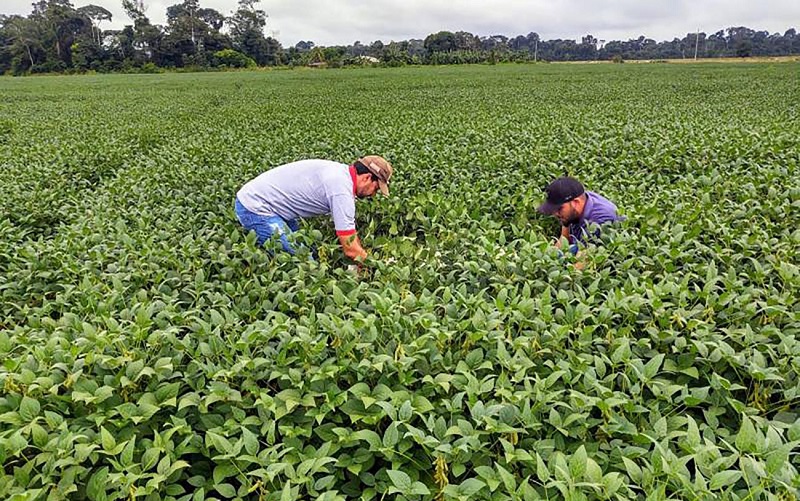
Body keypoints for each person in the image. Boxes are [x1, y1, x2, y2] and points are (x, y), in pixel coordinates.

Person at [235, 156, 393, 262]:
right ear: (366, 177)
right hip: (256, 207)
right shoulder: (340, 189)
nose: (373, 194)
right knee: (305, 262)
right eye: (376, 188)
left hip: (276, 209)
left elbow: (349, 235)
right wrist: (376, 267)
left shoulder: (340, 174)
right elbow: (350, 248)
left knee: (309, 251)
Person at [537, 177, 623, 255]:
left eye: (559, 209)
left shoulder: (600, 220)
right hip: (580, 244)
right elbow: (564, 239)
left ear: (576, 202)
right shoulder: (573, 207)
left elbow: (583, 262)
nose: (555, 213)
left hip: (598, 252)